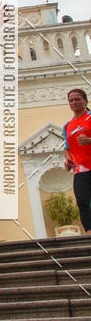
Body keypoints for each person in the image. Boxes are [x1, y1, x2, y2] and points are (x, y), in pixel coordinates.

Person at [63, 88, 91, 233]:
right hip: (80, 169)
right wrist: (68, 160)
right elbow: (67, 148)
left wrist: (89, 140)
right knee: (82, 201)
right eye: (71, 100)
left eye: (77, 99)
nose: (74, 102)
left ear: (85, 101)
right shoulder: (67, 126)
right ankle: (89, 233)